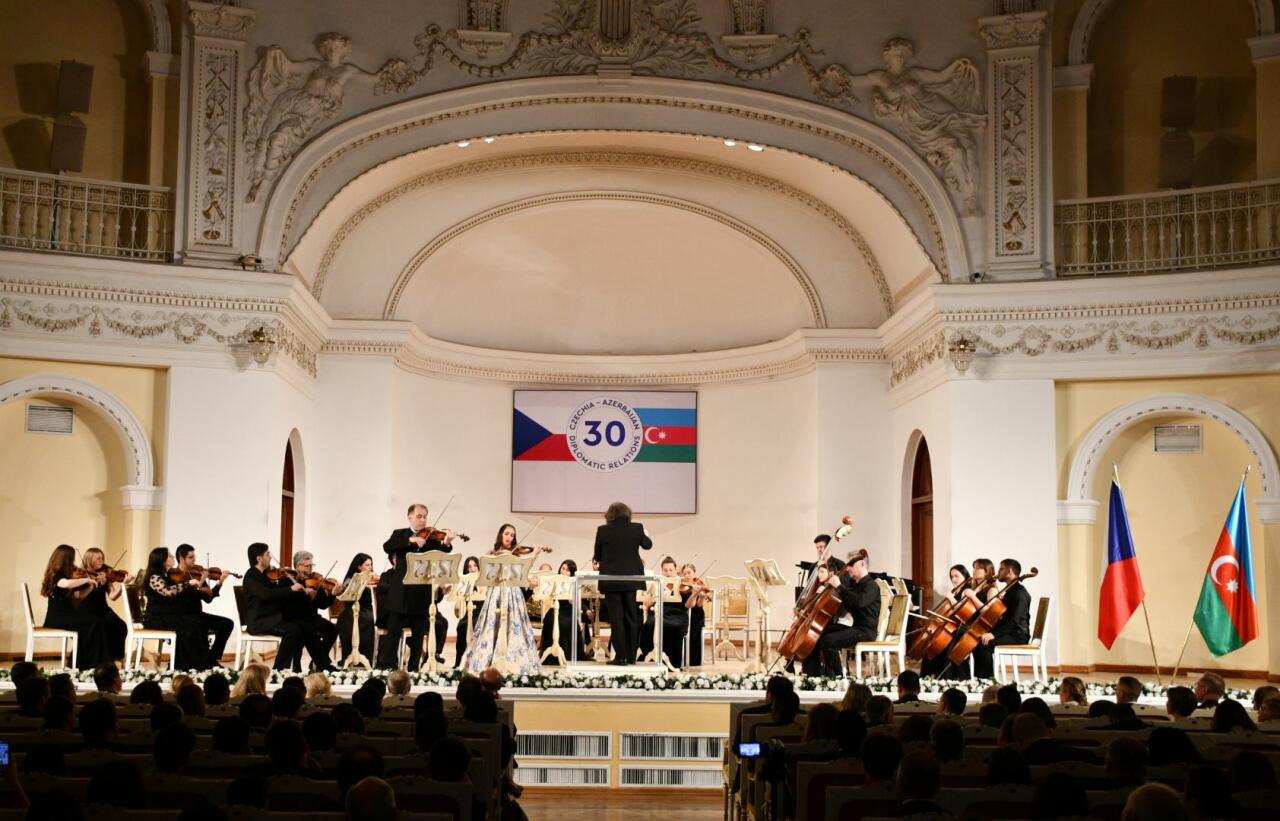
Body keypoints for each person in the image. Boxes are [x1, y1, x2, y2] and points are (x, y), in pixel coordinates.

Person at [378, 503, 455, 670]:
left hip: (421, 595)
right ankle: (386, 667)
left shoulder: (431, 538)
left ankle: (414, 669)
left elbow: (443, 553)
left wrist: (447, 542)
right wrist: (411, 540)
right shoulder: (400, 534)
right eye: (419, 516)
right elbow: (387, 547)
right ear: (410, 517)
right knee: (393, 635)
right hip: (400, 594)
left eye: (425, 516)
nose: (423, 519)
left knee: (419, 635)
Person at [460, 523, 541, 675]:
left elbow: (524, 571)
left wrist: (534, 554)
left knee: (513, 623)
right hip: (496, 592)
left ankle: (511, 660)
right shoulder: (492, 553)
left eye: (512, 535)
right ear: (500, 535)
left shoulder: (516, 554)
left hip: (512, 592)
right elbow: (486, 573)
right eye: (506, 533)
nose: (509, 537)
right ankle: (490, 658)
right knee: (493, 624)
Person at [242, 543, 332, 672]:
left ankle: (322, 665)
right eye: (268, 554)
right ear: (259, 558)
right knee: (293, 630)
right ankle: (278, 670)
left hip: (271, 618)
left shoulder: (263, 575)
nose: (270, 557)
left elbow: (276, 591)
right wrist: (291, 588)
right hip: (260, 621)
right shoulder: (251, 576)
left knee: (305, 627)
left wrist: (301, 589)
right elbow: (266, 594)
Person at [592, 501, 653, 666]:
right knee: (631, 617)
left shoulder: (603, 530)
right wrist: (645, 534)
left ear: (609, 514)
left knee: (616, 619)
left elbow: (597, 556)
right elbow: (648, 545)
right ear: (628, 514)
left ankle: (621, 657)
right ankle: (632, 656)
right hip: (631, 579)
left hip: (611, 580)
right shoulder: (637, 528)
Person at [802, 550, 880, 677]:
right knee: (820, 632)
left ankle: (838, 677)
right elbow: (846, 602)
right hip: (856, 628)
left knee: (829, 640)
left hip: (866, 631)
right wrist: (826, 591)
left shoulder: (871, 586)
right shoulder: (856, 585)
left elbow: (858, 601)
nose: (847, 568)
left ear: (861, 564)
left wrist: (839, 586)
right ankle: (814, 674)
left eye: (850, 565)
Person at [142, 546, 216, 670]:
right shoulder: (154, 576)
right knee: (192, 622)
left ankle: (195, 663)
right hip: (156, 619)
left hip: (167, 616)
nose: (172, 557)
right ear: (162, 560)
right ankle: (183, 665)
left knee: (194, 621)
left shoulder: (165, 575)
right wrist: (188, 583)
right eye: (170, 556)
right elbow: (168, 592)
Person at [40, 544, 112, 669]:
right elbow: (66, 584)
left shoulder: (66, 574)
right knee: (93, 622)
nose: (74, 562)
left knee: (98, 621)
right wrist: (87, 580)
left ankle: (87, 663)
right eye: (71, 559)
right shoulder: (57, 575)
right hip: (57, 618)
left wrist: (91, 586)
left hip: (67, 615)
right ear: (65, 559)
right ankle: (91, 664)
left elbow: (78, 597)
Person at [173, 544, 234, 668]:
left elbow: (208, 599)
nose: (194, 560)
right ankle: (205, 661)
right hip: (183, 616)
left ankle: (213, 657)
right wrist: (200, 583)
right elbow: (183, 597)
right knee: (200, 624)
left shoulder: (197, 574)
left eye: (194, 557)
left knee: (227, 623)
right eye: (190, 557)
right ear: (181, 558)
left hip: (197, 614)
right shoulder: (174, 575)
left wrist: (220, 582)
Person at [971, 558, 1031, 679]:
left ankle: (986, 680)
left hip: (1018, 636)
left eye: (1001, 569)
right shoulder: (1010, 591)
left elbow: (1014, 622)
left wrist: (993, 634)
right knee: (979, 640)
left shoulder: (1019, 593)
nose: (998, 572)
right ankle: (980, 679)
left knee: (984, 644)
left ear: (1009, 572)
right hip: (1009, 632)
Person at [282, 551, 339, 671]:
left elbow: (323, 604)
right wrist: (303, 593)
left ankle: (318, 661)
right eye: (307, 566)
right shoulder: (288, 581)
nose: (310, 569)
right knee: (304, 629)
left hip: (312, 617)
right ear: (298, 566)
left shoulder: (315, 581)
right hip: (295, 618)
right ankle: (308, 665)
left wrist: (333, 594)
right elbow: (287, 605)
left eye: (312, 565)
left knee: (332, 629)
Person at [79, 548, 129, 662]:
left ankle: (116, 657)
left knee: (120, 625)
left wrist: (123, 586)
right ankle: (102, 659)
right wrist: (94, 582)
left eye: (102, 558)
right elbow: (79, 596)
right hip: (87, 610)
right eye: (98, 558)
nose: (101, 561)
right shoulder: (82, 575)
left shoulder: (106, 575)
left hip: (103, 609)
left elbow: (112, 596)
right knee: (102, 626)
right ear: (89, 559)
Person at [538, 559, 587, 664]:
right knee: (549, 620)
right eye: (563, 568)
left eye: (567, 570)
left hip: (568, 610)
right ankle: (551, 655)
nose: (564, 572)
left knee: (564, 624)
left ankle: (567, 654)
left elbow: (576, 603)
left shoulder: (574, 582)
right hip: (555, 607)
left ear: (571, 573)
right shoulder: (554, 580)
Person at [336, 553, 377, 667]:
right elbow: (347, 596)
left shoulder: (372, 578)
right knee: (345, 620)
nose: (370, 568)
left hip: (367, 610)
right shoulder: (351, 579)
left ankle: (365, 657)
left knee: (369, 619)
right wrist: (364, 586)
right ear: (359, 567)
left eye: (371, 565)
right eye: (367, 565)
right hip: (352, 609)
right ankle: (350, 655)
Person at [453, 555, 483, 667]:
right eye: (469, 567)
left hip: (481, 615)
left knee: (476, 626)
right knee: (461, 627)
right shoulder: (463, 582)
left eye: (475, 565)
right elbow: (459, 600)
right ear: (466, 569)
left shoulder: (484, 582)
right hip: (467, 615)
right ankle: (458, 662)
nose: (473, 568)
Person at [678, 562, 709, 667]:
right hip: (684, 613)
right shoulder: (681, 586)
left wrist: (701, 597)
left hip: (696, 614)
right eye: (685, 573)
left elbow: (699, 606)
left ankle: (694, 660)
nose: (687, 575)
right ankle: (683, 658)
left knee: (695, 627)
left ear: (695, 573)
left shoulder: (699, 585)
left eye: (689, 572)